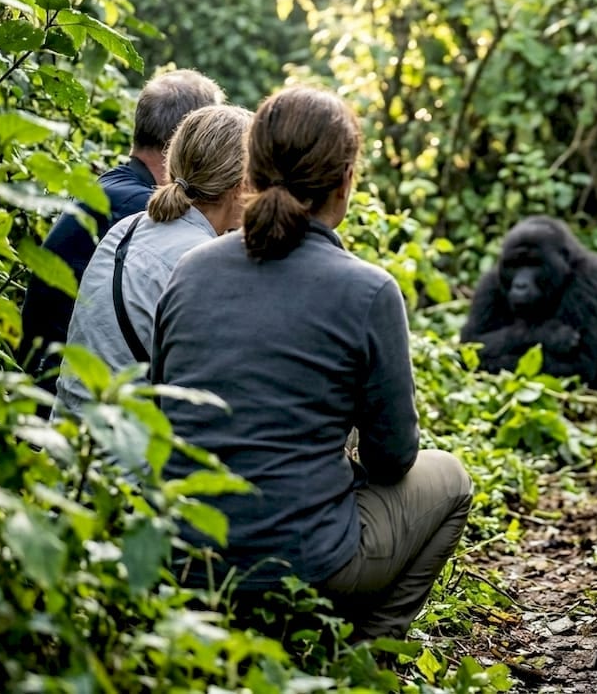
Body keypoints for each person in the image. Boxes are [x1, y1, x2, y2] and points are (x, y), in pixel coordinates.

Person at [152, 86, 472, 640]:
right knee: (451, 480)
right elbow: (394, 457)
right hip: (307, 564)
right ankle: (365, 650)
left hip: (184, 560)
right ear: (345, 182)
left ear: (249, 173)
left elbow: (162, 414)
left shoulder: (190, 269)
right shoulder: (369, 289)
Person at [18, 69, 224, 390]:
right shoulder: (141, 209)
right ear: (189, 140)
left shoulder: (116, 187)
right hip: (61, 391)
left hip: (53, 381)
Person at [54, 104, 252, 418]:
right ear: (242, 186)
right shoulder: (206, 263)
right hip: (126, 455)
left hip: (67, 440)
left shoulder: (127, 228)